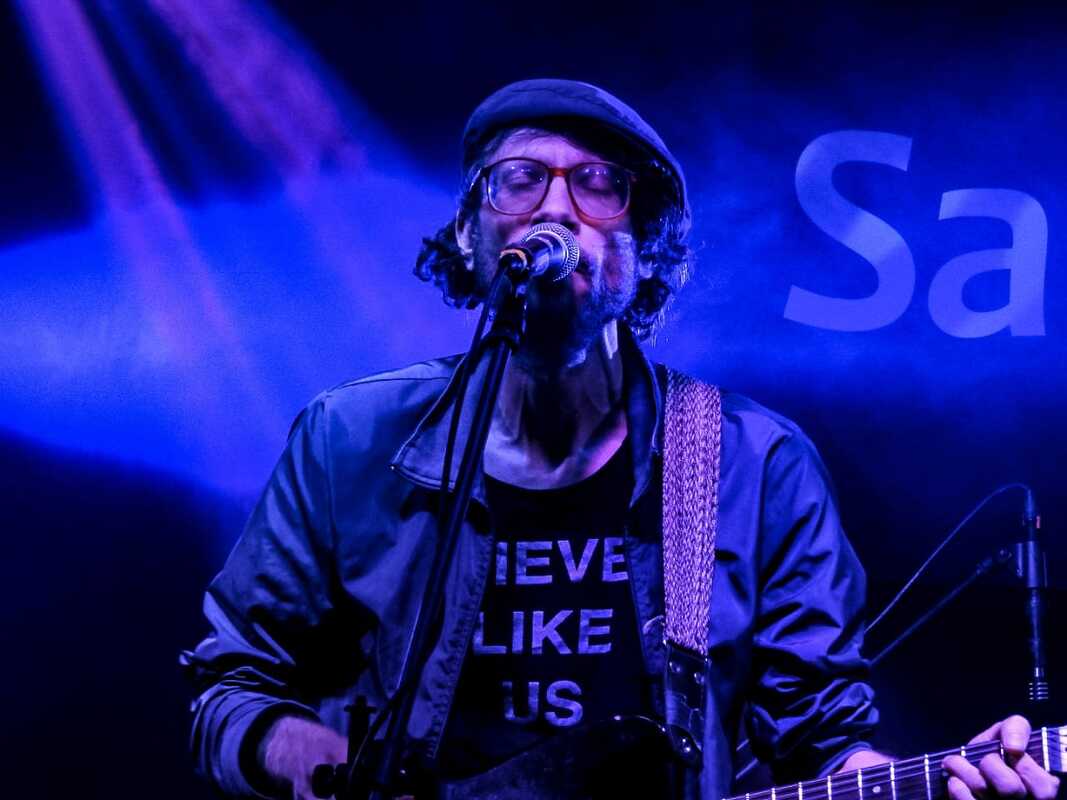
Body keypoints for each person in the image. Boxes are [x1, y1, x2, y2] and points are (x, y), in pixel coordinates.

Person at [180, 79, 1061, 800]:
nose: (554, 207)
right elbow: (233, 687)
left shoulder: (751, 464)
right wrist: (327, 767)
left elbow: (823, 743)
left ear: (644, 248)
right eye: (518, 179)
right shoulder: (349, 439)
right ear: (469, 233)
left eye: (598, 183)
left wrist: (948, 778)